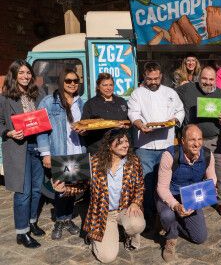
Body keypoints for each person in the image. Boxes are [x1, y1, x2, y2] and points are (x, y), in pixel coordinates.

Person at [52, 129, 145, 263]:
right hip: (103, 213)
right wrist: (64, 189)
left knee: (136, 224)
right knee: (107, 257)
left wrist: (136, 202)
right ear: (109, 145)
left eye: (126, 141)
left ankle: (128, 233)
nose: (125, 145)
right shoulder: (93, 163)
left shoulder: (133, 161)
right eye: (120, 142)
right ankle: (95, 235)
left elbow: (140, 186)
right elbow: (81, 187)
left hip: (125, 209)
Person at [127, 61, 185, 229]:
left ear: (161, 76)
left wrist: (174, 120)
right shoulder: (137, 94)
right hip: (144, 146)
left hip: (166, 144)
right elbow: (133, 113)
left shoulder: (170, 92)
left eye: (156, 78)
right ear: (144, 77)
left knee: (166, 182)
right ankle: (151, 214)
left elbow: (180, 111)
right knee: (147, 182)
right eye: (149, 79)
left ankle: (166, 213)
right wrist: (140, 125)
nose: (153, 82)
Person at [0, 60, 46, 248]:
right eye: (21, 73)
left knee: (37, 189)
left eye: (28, 73)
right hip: (18, 147)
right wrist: (9, 132)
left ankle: (32, 221)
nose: (25, 76)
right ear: (13, 75)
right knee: (23, 191)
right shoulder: (5, 98)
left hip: (38, 145)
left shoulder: (40, 93)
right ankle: (22, 232)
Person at [37, 69, 86, 240]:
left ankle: (68, 218)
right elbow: (41, 130)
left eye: (75, 80)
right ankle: (60, 219)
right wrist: (46, 153)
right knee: (59, 188)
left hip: (77, 151)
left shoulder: (81, 102)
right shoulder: (49, 102)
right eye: (68, 81)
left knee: (72, 188)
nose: (72, 83)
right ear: (61, 82)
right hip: (59, 152)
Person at [156, 124, 216, 262]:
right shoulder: (170, 155)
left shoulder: (207, 155)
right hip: (170, 194)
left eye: (199, 139)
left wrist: (197, 202)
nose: (197, 144)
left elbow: (212, 180)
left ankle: (175, 220)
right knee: (167, 214)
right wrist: (176, 206)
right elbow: (162, 188)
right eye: (192, 140)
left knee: (199, 238)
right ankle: (171, 237)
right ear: (182, 141)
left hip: (190, 196)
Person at [176, 66, 221, 217]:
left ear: (216, 80)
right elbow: (169, 94)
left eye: (211, 79)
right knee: (190, 172)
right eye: (204, 79)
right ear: (199, 78)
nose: (207, 82)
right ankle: (191, 202)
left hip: (214, 140)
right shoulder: (187, 89)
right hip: (191, 142)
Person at [81, 73, 129, 154]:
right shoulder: (91, 104)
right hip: (98, 148)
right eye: (105, 85)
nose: (108, 88)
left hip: (119, 149)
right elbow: (84, 125)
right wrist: (83, 131)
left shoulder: (121, 101)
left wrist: (126, 126)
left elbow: (127, 122)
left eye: (111, 85)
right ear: (98, 87)